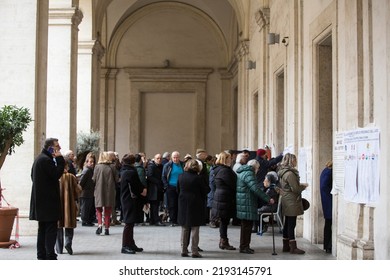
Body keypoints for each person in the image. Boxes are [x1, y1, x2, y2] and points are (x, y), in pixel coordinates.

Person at [29, 137, 65, 260]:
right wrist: (60, 159)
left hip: (42, 202)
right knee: (50, 229)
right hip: (48, 203)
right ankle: (50, 255)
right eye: (57, 146)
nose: (59, 148)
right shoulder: (45, 160)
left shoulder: (39, 159)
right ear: (50, 148)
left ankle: (42, 254)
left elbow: (32, 177)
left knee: (43, 229)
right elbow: (56, 174)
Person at [236, 159, 273, 254]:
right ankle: (244, 247)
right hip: (246, 202)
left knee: (245, 226)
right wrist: (268, 198)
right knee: (247, 227)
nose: (258, 170)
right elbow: (255, 188)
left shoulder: (244, 172)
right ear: (255, 167)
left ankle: (244, 246)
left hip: (244, 202)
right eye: (258, 168)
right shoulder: (249, 173)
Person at [177, 159, 210, 258]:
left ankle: (183, 250)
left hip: (183, 203)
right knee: (195, 228)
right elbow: (205, 190)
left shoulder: (181, 176)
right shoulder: (198, 178)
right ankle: (194, 251)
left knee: (185, 227)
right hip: (196, 203)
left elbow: (177, 189)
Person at [277, 153, 308, 254]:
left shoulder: (282, 171)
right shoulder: (290, 174)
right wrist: (303, 186)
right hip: (291, 200)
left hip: (286, 199)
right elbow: (295, 189)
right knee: (291, 223)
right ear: (291, 161)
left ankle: (286, 245)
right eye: (295, 160)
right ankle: (293, 247)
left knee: (287, 223)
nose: (296, 162)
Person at [120, 153, 147, 254]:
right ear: (133, 162)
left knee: (130, 223)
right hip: (130, 199)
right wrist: (142, 190)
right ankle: (125, 245)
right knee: (129, 223)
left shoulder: (123, 170)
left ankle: (131, 243)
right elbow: (136, 185)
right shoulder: (131, 172)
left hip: (126, 198)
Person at [211, 151, 237, 250]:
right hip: (224, 197)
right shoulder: (225, 171)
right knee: (224, 221)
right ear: (225, 159)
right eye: (230, 158)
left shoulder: (218, 169)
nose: (231, 160)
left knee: (224, 221)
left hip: (221, 196)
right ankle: (223, 241)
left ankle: (223, 240)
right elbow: (233, 184)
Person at [56, 161, 81, 255]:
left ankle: (59, 248)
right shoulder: (71, 177)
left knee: (58, 227)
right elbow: (78, 190)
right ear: (66, 166)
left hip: (57, 205)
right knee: (69, 226)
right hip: (69, 205)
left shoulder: (55, 177)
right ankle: (68, 243)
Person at [92, 151, 119, 235]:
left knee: (98, 209)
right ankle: (107, 228)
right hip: (109, 191)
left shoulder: (97, 167)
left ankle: (99, 225)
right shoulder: (112, 167)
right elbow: (117, 179)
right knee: (108, 210)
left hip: (99, 190)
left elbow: (93, 179)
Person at [162, 151, 184, 226]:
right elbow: (164, 176)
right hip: (171, 187)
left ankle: (179, 219)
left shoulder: (182, 164)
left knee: (180, 204)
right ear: (171, 157)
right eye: (174, 157)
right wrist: (166, 186)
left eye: (177, 157)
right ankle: (172, 220)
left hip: (181, 187)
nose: (175, 159)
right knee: (172, 204)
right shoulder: (168, 165)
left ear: (179, 157)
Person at [146, 153, 165, 226]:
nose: (159, 160)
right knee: (154, 205)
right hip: (153, 189)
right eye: (158, 158)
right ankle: (155, 220)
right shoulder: (151, 166)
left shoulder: (161, 166)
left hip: (158, 189)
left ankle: (153, 220)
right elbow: (149, 176)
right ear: (154, 159)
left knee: (156, 205)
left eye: (160, 158)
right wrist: (159, 182)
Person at [79, 152, 96, 226]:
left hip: (89, 192)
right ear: (87, 162)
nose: (92, 163)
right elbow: (81, 182)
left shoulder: (90, 170)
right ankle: (84, 220)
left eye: (93, 162)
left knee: (88, 207)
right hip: (85, 193)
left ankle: (88, 220)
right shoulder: (86, 170)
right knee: (85, 208)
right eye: (90, 162)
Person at [320, 160, 333, 253]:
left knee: (328, 224)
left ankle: (326, 245)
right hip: (329, 201)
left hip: (326, 201)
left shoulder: (325, 170)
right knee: (329, 224)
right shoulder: (330, 172)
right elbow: (324, 186)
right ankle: (328, 245)